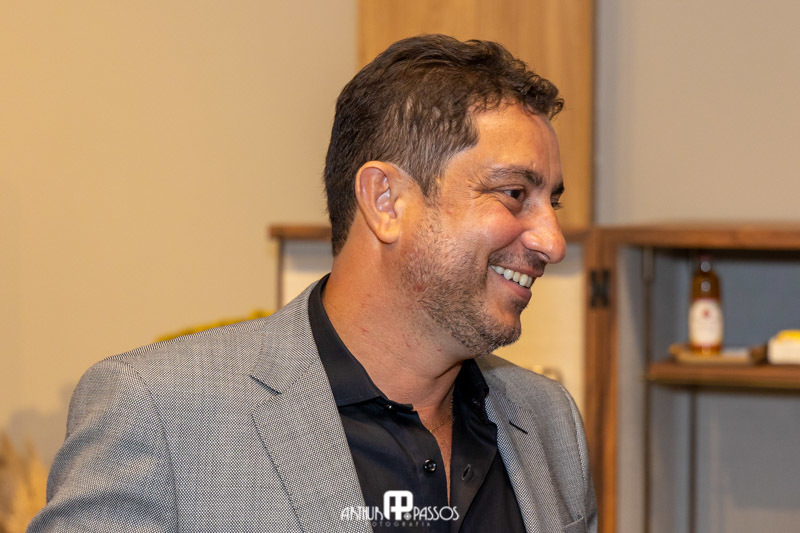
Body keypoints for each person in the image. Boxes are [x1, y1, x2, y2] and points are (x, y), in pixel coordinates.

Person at [29, 34, 597, 532]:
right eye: (514, 194)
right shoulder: (159, 415)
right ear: (385, 201)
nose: (553, 241)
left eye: (552, 203)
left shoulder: (548, 421)